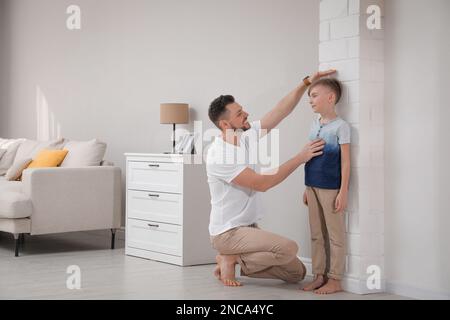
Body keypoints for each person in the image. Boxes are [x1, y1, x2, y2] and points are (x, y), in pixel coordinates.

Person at [206, 70, 336, 286]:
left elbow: (280, 111)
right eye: (239, 113)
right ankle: (231, 256)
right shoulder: (219, 155)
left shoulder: (244, 136)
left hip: (249, 228)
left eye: (242, 109)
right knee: (289, 248)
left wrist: (305, 83)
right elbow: (262, 184)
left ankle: (236, 260)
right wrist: (300, 158)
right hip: (228, 232)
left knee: (297, 273)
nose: (246, 113)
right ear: (225, 125)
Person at [301, 78, 351, 294]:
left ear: (330, 98)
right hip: (311, 184)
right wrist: (306, 187)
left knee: (335, 235)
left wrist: (343, 191)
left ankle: (336, 279)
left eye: (314, 96)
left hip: (330, 187)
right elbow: (310, 156)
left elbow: (346, 161)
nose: (310, 101)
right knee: (316, 233)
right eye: (309, 97)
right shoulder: (314, 124)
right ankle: (319, 275)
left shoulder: (341, 127)